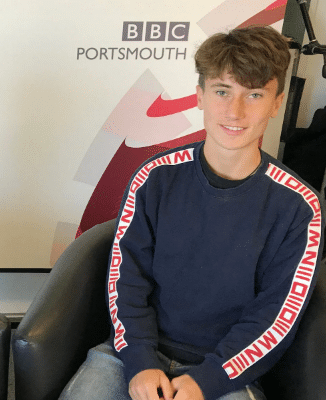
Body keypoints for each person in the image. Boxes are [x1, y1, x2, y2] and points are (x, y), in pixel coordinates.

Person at [59, 26, 324, 400]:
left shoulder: (299, 205)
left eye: (254, 94)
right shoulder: (154, 177)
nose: (234, 111)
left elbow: (278, 313)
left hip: (227, 371)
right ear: (199, 96)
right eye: (221, 92)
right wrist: (139, 360)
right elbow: (127, 277)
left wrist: (209, 379)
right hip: (131, 355)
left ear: (276, 102)